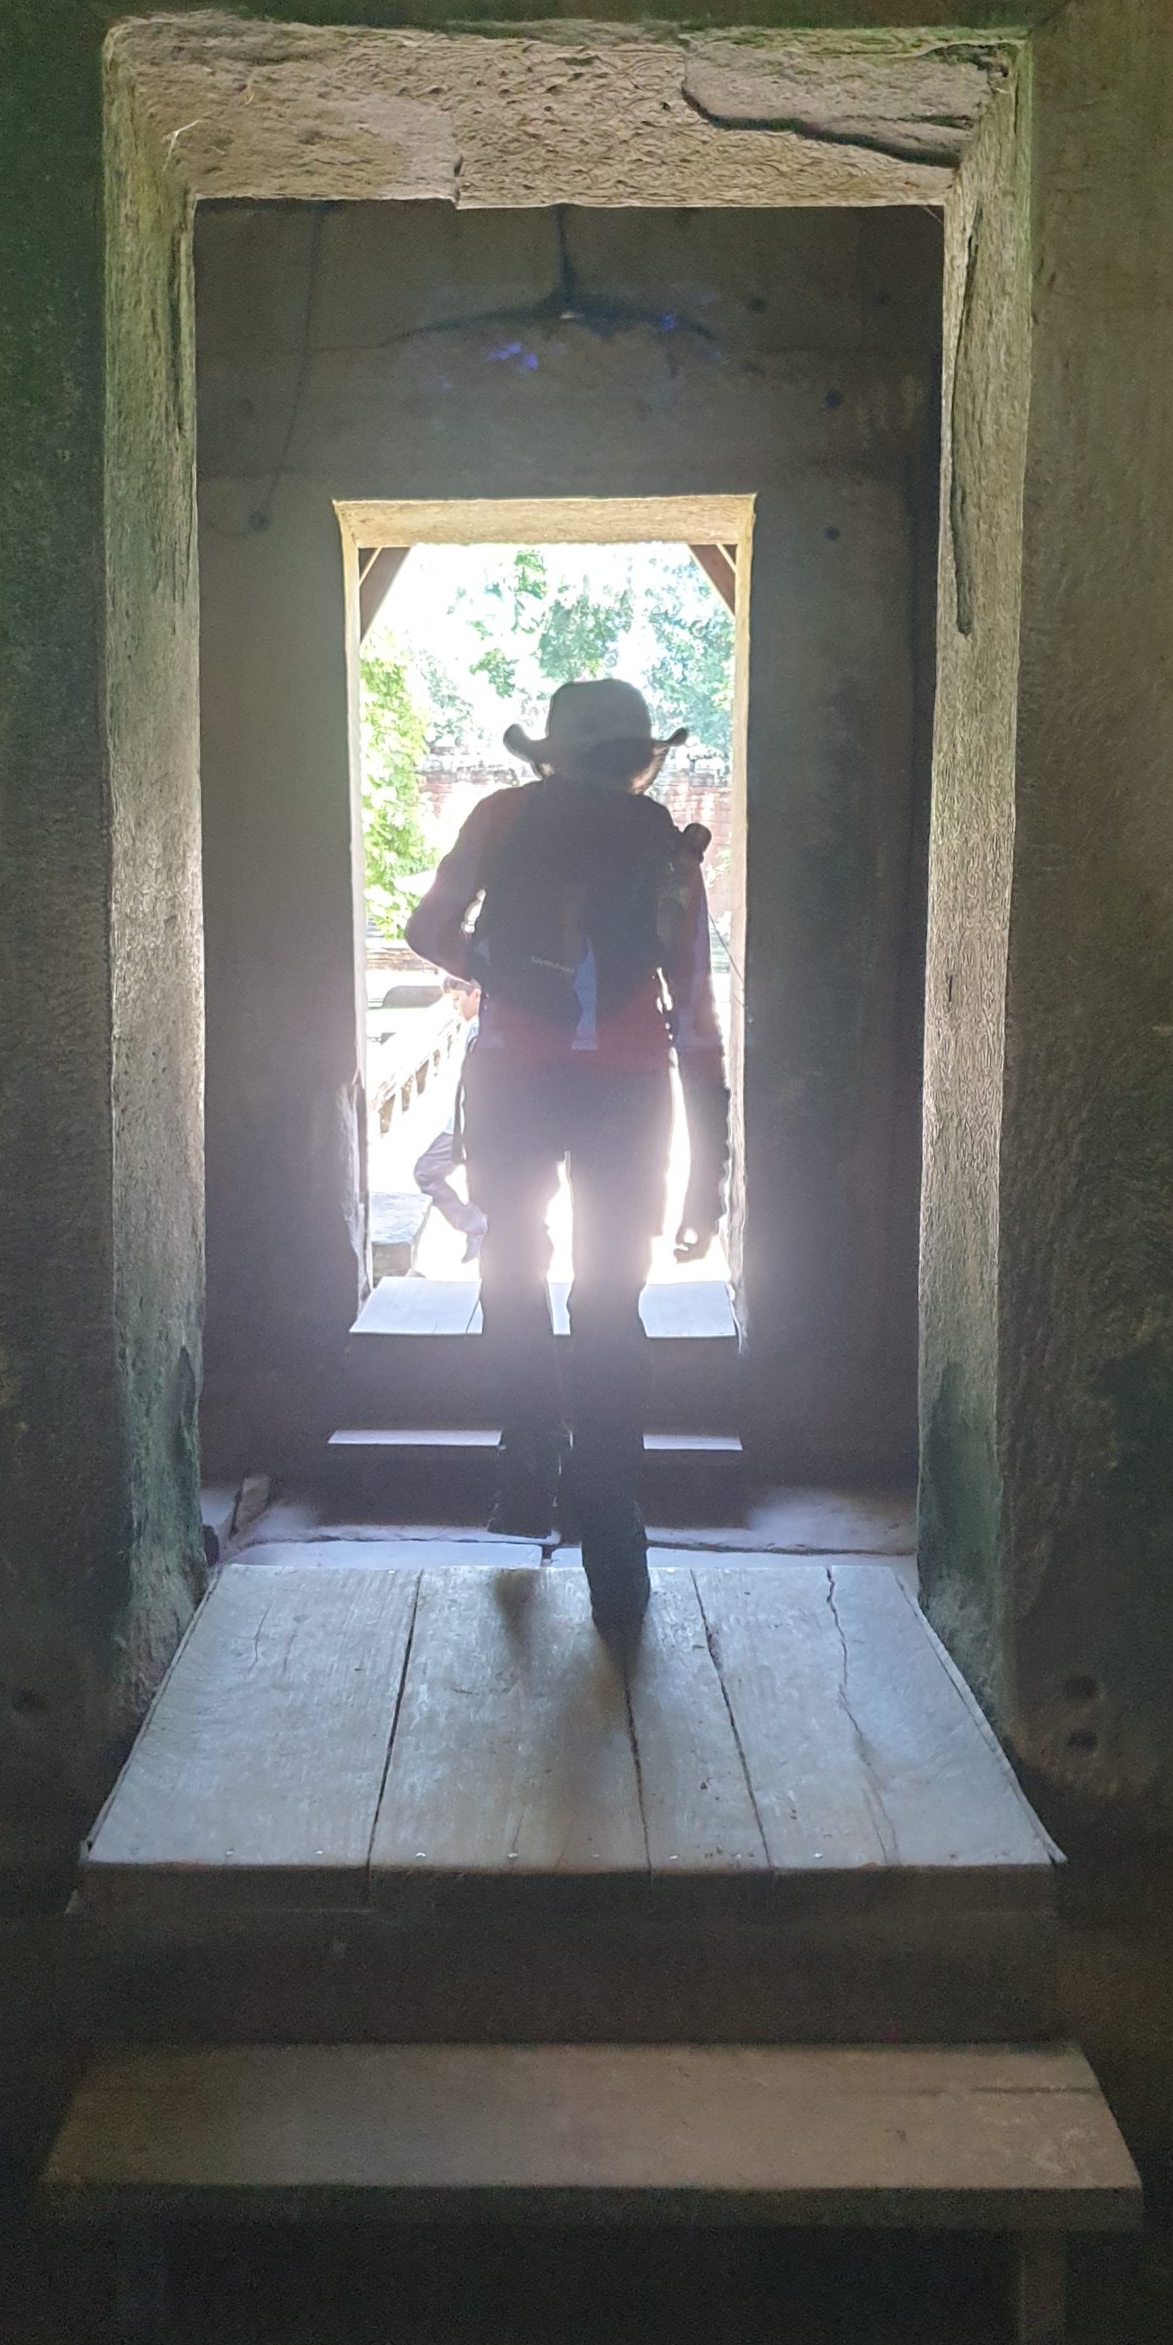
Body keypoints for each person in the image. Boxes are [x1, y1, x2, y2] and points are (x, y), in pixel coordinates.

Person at [405, 677, 729, 1641]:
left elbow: (428, 929)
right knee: (609, 1296)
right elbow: (696, 1010)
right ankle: (611, 1513)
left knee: (511, 1268)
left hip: (512, 1079)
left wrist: (501, 974)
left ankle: (530, 1457)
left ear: (553, 755)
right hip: (628, 1091)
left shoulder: (501, 819)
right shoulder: (668, 848)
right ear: (637, 759)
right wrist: (709, 1171)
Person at [412, 981, 488, 1263]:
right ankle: (476, 1226)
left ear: (476, 995)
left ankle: (475, 1226)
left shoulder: (480, 1030)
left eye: (457, 999)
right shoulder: (476, 1028)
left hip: (467, 1125)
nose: (455, 1007)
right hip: (466, 1123)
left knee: (426, 1172)